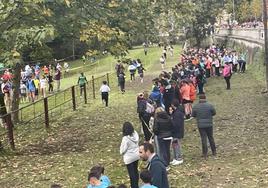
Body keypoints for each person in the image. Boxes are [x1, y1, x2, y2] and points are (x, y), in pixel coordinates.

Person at [192, 94, 216, 159]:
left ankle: (205, 153)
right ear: (205, 98)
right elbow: (214, 113)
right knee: (211, 137)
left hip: (200, 125)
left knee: (203, 138)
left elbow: (193, 115)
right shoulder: (210, 105)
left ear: (199, 99)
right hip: (209, 124)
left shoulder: (196, 106)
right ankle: (214, 151)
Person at [120, 122, 140, 188]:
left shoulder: (125, 139)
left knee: (132, 174)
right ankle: (136, 184)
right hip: (136, 155)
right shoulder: (135, 134)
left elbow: (123, 150)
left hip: (129, 158)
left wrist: (121, 152)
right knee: (135, 170)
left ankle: (134, 186)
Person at [170, 99, 184, 165]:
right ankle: (175, 157)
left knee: (176, 145)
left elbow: (176, 124)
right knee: (174, 145)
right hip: (175, 133)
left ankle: (179, 158)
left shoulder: (177, 113)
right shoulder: (176, 112)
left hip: (177, 133)